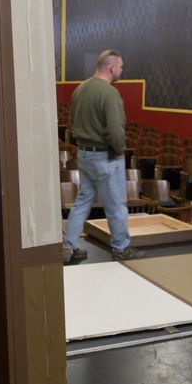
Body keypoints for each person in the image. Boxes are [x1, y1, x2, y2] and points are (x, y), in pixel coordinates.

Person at [63, 49, 144, 262]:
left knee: (82, 201)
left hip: (84, 153)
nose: (121, 70)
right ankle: (121, 248)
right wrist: (119, 152)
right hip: (105, 156)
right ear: (111, 67)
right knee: (116, 204)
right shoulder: (109, 93)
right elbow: (115, 130)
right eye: (120, 66)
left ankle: (69, 247)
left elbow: (73, 122)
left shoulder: (80, 89)